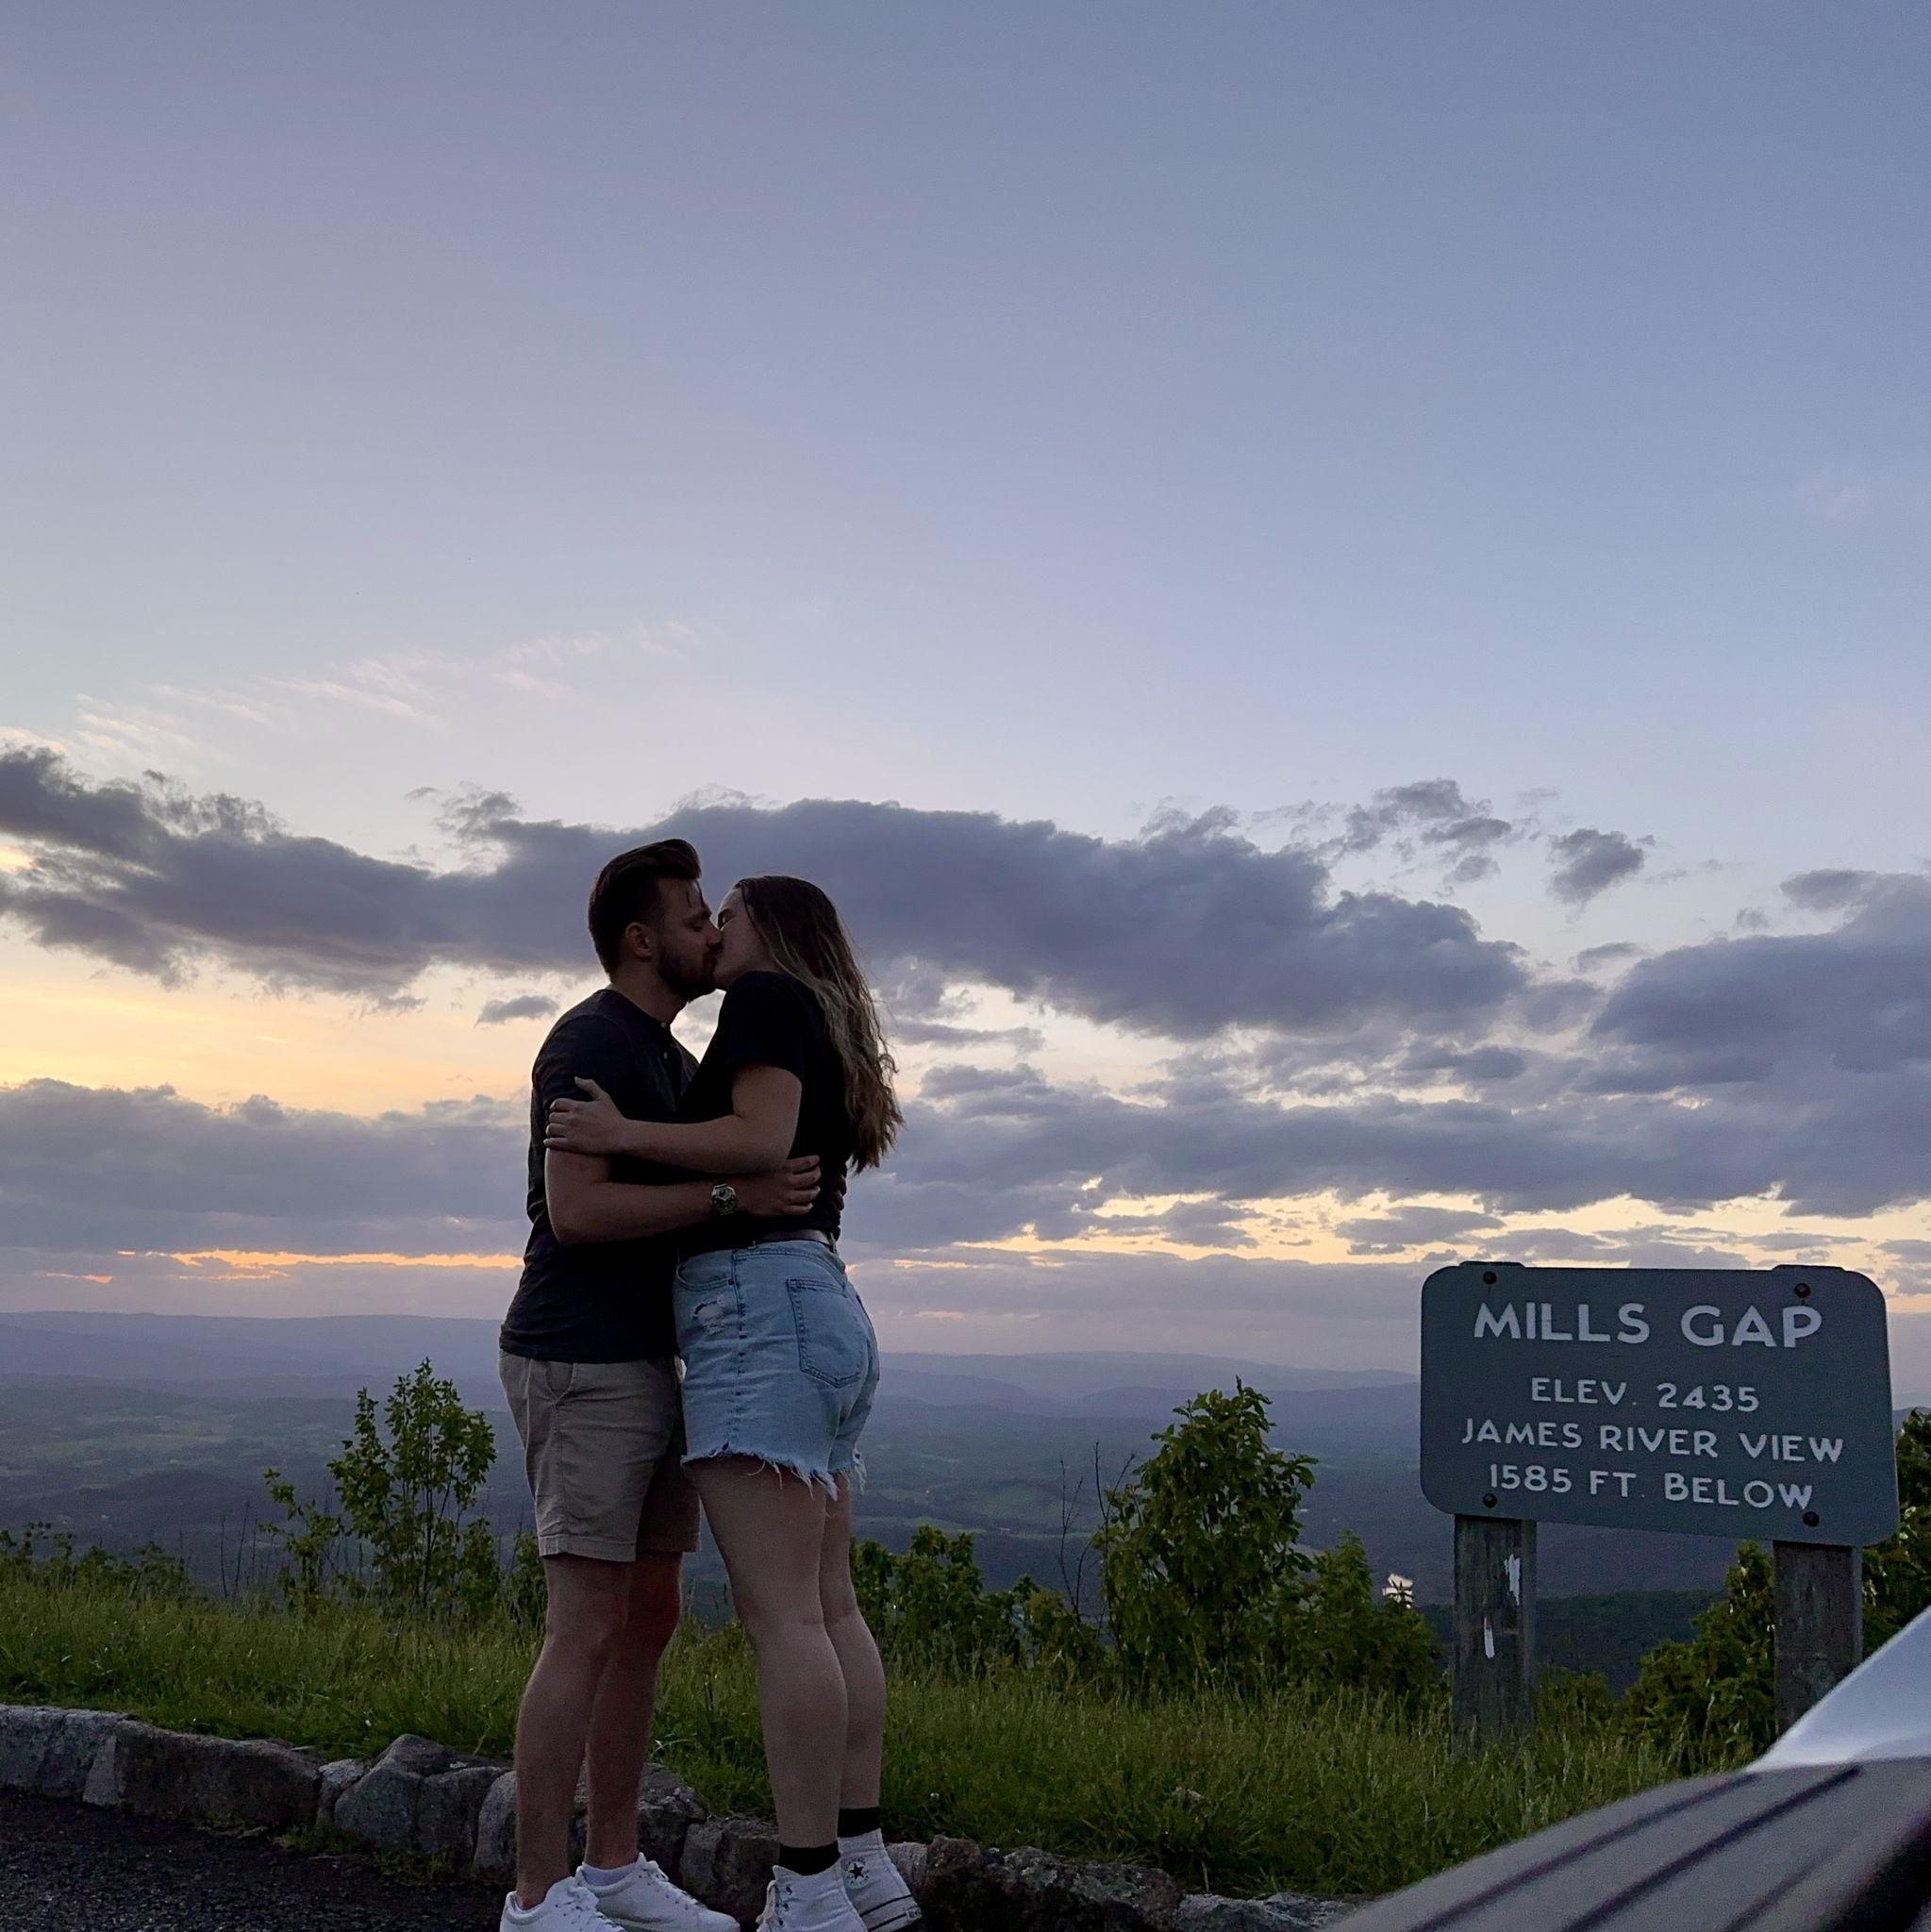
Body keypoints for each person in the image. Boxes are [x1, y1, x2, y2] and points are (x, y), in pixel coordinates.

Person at [546, 874, 917, 1932]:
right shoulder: (823, 1018)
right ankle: (861, 1865)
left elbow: (756, 1140)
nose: (717, 929)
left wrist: (622, 1131)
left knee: (787, 1616)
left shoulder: (765, 997)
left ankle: (808, 1887)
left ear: (774, 930)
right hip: (817, 1303)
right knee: (830, 1607)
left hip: (757, 1309)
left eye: (732, 912)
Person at [499, 841, 828, 1932]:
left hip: (649, 1359)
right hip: (580, 1356)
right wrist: (733, 1196)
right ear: (642, 940)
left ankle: (612, 1865)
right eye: (694, 915)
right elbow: (578, 1211)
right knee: (585, 1621)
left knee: (646, 1616)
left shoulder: (668, 1056)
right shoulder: (591, 1039)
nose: (711, 929)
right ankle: (536, 1895)